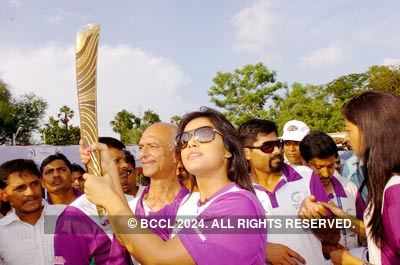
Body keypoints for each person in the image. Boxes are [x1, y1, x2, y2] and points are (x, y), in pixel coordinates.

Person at [82, 107, 266, 265]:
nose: (192, 142)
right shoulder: (193, 205)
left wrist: (109, 200)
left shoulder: (238, 204)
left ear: (228, 149)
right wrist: (109, 171)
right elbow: (131, 237)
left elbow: (159, 257)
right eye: (184, 139)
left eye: (204, 134)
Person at [300, 91, 400, 265]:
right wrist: (343, 217)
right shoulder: (387, 185)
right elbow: (381, 236)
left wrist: (348, 261)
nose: (347, 138)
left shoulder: (395, 191)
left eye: (348, 130)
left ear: (369, 132)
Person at [238, 118, 324, 265]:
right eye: (268, 147)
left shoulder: (306, 176)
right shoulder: (237, 191)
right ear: (246, 153)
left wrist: (321, 217)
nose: (278, 150)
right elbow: (230, 241)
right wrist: (263, 250)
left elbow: (333, 236)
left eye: (278, 144)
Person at [54, 137, 135, 265]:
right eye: (116, 161)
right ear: (94, 165)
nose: (125, 166)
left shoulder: (132, 203)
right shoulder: (74, 217)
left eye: (124, 160)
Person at [300, 131, 366, 256]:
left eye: (330, 166)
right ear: (304, 162)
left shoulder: (350, 189)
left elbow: (365, 227)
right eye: (319, 167)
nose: (325, 174)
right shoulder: (296, 195)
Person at [0, 159, 65, 265]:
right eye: (20, 188)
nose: (30, 192)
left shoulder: (65, 215)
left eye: (34, 184)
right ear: (4, 195)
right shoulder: (2, 231)